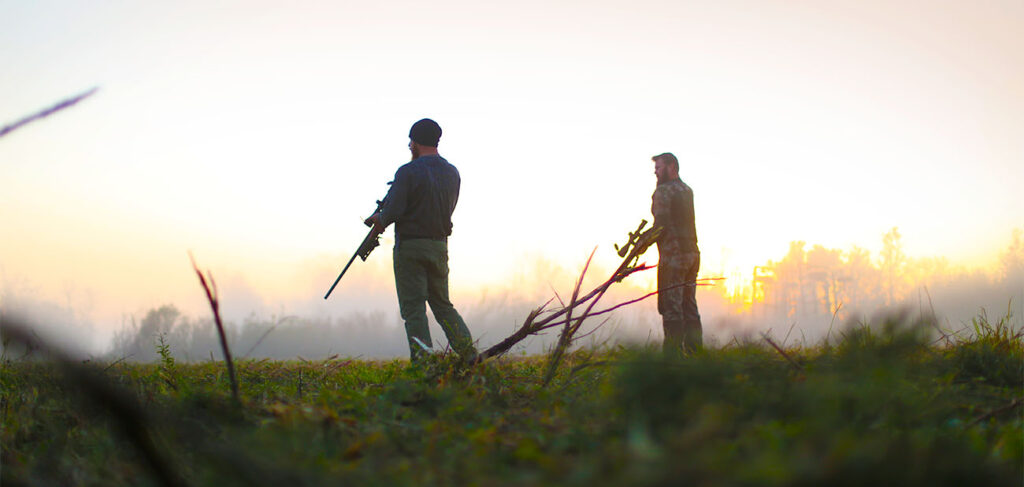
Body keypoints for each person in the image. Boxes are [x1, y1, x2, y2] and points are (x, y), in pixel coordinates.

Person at [367, 118, 475, 361]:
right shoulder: (452, 172)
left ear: (414, 142)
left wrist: (378, 219)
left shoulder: (407, 172)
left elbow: (393, 211)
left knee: (414, 310)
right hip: (439, 246)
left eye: (410, 142)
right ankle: (470, 355)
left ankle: (425, 365)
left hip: (411, 248)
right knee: (443, 306)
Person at [651, 152, 702, 355]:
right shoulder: (686, 190)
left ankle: (672, 357)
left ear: (672, 167)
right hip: (692, 254)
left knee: (671, 307)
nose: (655, 171)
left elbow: (660, 226)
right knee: (689, 305)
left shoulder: (663, 191)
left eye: (659, 167)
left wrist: (640, 245)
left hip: (674, 257)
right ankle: (696, 353)